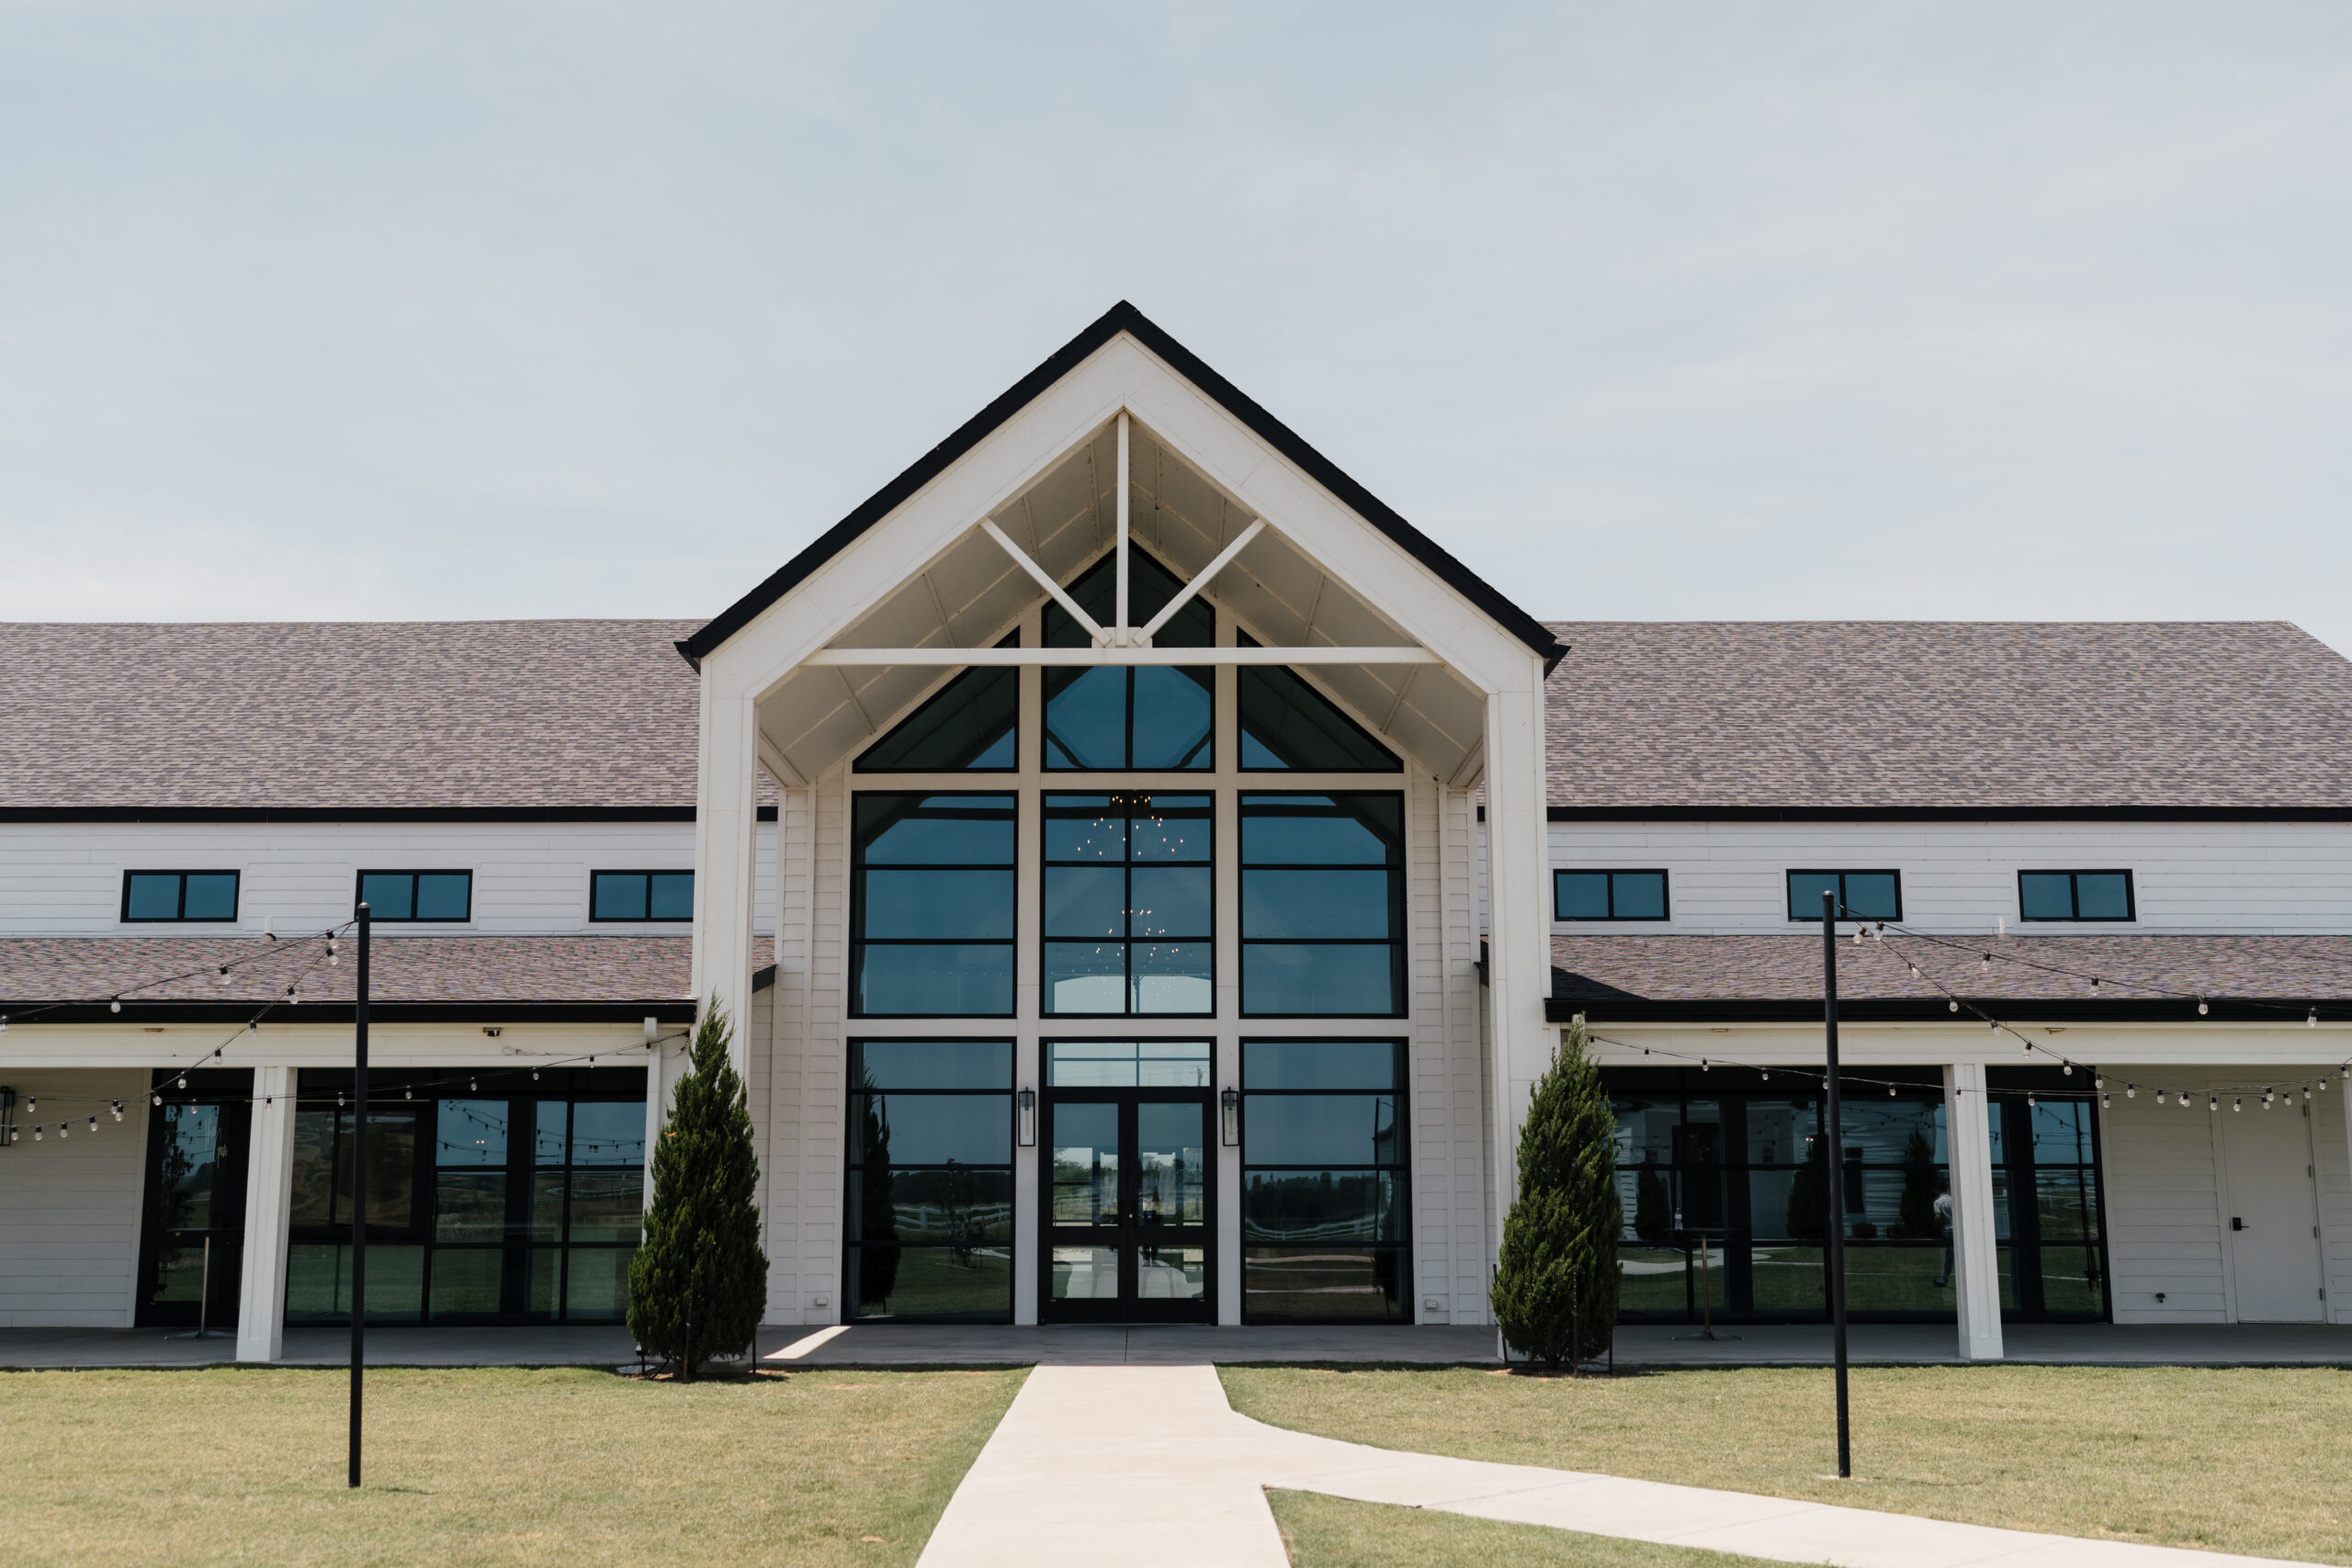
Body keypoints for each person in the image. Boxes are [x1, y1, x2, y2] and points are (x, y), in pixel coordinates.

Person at [1931, 1179, 1955, 1287]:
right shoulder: (1953, 1200)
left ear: (1937, 1189)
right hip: (1958, 1229)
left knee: (1949, 1257)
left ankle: (1944, 1278)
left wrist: (1935, 1225)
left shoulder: (1937, 1202)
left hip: (1948, 1230)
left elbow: (1937, 1216)